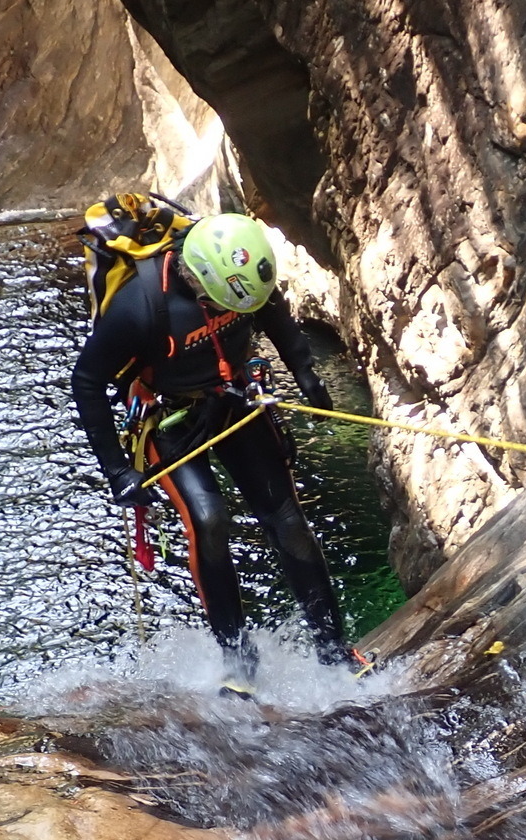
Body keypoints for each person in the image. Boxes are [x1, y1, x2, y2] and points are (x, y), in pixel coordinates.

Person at [69, 210, 357, 691]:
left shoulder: (238, 283)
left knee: (287, 519)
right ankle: (238, 662)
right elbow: (87, 381)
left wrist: (304, 371)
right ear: (199, 275)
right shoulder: (139, 306)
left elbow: (272, 309)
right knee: (208, 520)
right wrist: (117, 470)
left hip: (235, 400)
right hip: (168, 418)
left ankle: (334, 650)